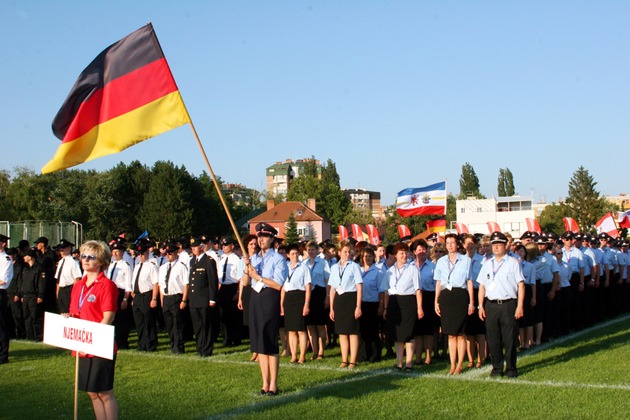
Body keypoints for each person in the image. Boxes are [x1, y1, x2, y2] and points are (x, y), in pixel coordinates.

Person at [68, 240, 119, 419]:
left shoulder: (107, 285)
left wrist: (94, 339)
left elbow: (108, 316)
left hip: (100, 344)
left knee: (104, 392)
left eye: (91, 257)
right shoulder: (78, 286)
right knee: (91, 392)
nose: (86, 260)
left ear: (101, 262)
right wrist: (69, 318)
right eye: (83, 256)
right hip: (82, 346)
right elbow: (76, 313)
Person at [243, 223, 287, 396]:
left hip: (269, 299)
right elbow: (246, 282)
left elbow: (277, 284)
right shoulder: (254, 259)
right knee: (259, 342)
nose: (261, 239)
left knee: (269, 341)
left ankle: (274, 385)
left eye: (265, 236)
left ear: (272, 239)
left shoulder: (278, 259)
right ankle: (265, 383)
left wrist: (258, 277)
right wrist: (247, 268)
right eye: (259, 236)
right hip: (255, 299)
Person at [477, 232, 525, 378]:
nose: (496, 247)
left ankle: (511, 368)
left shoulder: (513, 263)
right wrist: (480, 305)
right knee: (493, 338)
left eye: (499, 245)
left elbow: (521, 285)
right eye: (494, 245)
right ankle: (497, 368)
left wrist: (520, 306)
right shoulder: (486, 264)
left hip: (508, 304)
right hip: (491, 305)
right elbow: (481, 287)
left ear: (505, 246)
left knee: (509, 338)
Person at [434, 233, 474, 375]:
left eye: (453, 242)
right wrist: (436, 301)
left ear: (458, 244)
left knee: (461, 333)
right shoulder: (441, 261)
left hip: (460, 296)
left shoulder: (466, 260)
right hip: (446, 297)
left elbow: (469, 282)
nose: (450, 245)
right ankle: (452, 364)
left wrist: (471, 302)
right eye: (448, 242)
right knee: (450, 334)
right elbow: (438, 282)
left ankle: (459, 365)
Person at [383, 242, 422, 371]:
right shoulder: (390, 270)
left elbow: (418, 290)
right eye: (401, 253)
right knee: (398, 335)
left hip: (409, 302)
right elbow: (386, 291)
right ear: (395, 255)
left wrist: (419, 307)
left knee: (409, 334)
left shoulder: (412, 268)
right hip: (395, 302)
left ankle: (409, 362)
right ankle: (399, 363)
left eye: (405, 253)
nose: (404, 255)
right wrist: (385, 308)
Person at [328, 240, 363, 369]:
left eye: (349, 252)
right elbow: (332, 289)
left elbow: (359, 286)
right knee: (342, 332)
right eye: (345, 252)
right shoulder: (334, 267)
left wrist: (358, 306)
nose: (347, 254)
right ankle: (344, 359)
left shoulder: (355, 266)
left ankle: (353, 360)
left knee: (352, 331)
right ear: (339, 253)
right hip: (339, 300)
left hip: (351, 298)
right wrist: (331, 308)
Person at [281, 243, 311, 364]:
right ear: (288, 255)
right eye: (292, 254)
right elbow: (283, 288)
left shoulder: (304, 267)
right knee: (291, 330)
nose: (295, 256)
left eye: (297, 253)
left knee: (301, 329)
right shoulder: (284, 267)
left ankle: (302, 356)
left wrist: (306, 304)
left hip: (300, 297)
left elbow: (308, 287)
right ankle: (293, 355)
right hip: (288, 298)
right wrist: (281, 305)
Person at [189, 236, 219, 357]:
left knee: (206, 325)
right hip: (194, 299)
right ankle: (200, 347)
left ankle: (206, 349)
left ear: (201, 247)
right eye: (192, 247)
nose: (193, 249)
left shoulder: (209, 261)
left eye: (195, 246)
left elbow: (213, 281)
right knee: (197, 326)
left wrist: (212, 299)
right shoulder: (192, 261)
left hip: (204, 299)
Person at [159, 243, 190, 354]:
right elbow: (161, 285)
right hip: (166, 298)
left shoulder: (181, 267)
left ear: (176, 253)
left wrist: (184, 300)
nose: (168, 255)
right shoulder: (163, 267)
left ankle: (179, 347)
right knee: (169, 324)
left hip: (176, 297)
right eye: (167, 253)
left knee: (178, 324)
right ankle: (172, 344)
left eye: (170, 253)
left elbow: (186, 284)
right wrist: (162, 300)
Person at [358, 246, 387, 363]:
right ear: (362, 257)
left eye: (370, 256)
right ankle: (363, 355)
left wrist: (381, 306)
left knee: (373, 331)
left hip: (373, 304)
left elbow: (381, 290)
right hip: (361, 304)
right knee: (362, 331)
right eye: (365, 256)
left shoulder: (378, 272)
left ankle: (375, 355)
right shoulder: (358, 271)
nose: (368, 258)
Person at [130, 240, 160, 352]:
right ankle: (141, 344)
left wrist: (154, 298)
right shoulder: (137, 266)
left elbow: (155, 283)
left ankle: (151, 344)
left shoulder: (151, 266)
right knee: (139, 322)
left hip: (147, 295)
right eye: (139, 255)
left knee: (149, 321)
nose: (141, 256)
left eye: (143, 254)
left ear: (147, 253)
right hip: (137, 296)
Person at [462, 234, 486, 368]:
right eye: (467, 243)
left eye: (472, 243)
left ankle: (480, 359)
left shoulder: (483, 261)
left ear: (476, 245)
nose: (469, 246)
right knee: (469, 331)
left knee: (480, 331)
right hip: (465, 295)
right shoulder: (460, 261)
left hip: (479, 293)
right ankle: (471, 359)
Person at [411, 239, 437, 366]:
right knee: (417, 330)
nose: (422, 252)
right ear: (414, 252)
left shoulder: (432, 267)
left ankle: (428, 357)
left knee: (428, 330)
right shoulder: (410, 266)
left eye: (424, 249)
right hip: (414, 298)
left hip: (428, 298)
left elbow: (437, 285)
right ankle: (417, 357)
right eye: (419, 250)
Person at [303, 240, 330, 361]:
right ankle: (314, 351)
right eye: (309, 250)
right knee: (311, 326)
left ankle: (321, 351)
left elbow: (327, 280)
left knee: (320, 325)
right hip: (309, 294)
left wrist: (327, 296)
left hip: (320, 293)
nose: (311, 252)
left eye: (313, 249)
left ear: (317, 251)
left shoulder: (323, 262)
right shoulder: (304, 264)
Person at [237, 234, 259, 361]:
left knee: (257, 321)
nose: (253, 246)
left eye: (255, 244)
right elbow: (242, 281)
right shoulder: (242, 261)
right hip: (247, 291)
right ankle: (254, 350)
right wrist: (240, 297)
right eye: (251, 244)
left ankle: (259, 349)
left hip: (257, 289)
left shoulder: (258, 258)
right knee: (250, 323)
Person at [217, 237, 242, 346]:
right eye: (223, 245)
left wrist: (237, 292)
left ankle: (236, 338)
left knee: (234, 315)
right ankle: (226, 338)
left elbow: (240, 277)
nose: (224, 247)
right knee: (224, 315)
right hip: (223, 287)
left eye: (226, 245)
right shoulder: (221, 258)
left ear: (232, 246)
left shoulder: (236, 259)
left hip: (233, 287)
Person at [108, 242, 133, 349]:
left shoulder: (125, 266)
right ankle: (113, 342)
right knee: (112, 319)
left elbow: (128, 285)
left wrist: (125, 299)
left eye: (117, 252)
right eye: (113, 252)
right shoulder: (111, 265)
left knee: (121, 320)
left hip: (121, 293)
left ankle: (122, 343)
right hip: (111, 293)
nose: (115, 254)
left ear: (122, 253)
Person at [17, 248, 46, 341]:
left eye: (25, 256)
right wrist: (21, 294)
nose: (24, 257)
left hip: (34, 296)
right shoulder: (25, 268)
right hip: (25, 296)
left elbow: (42, 282)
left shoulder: (39, 268)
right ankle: (30, 336)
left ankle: (38, 336)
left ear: (30, 257)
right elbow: (22, 282)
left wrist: (40, 295)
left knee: (36, 317)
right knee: (27, 317)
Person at [55, 239, 82, 314]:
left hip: (69, 289)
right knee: (61, 311)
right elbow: (58, 279)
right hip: (61, 289)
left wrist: (74, 293)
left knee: (68, 311)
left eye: (63, 248)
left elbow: (77, 278)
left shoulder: (73, 262)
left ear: (69, 249)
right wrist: (57, 292)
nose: (62, 251)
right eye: (60, 249)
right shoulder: (60, 262)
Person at [0, 234, 15, 364]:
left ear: (3, 243)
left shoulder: (6, 259)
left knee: (1, 325)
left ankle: (3, 355)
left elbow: (4, 280)